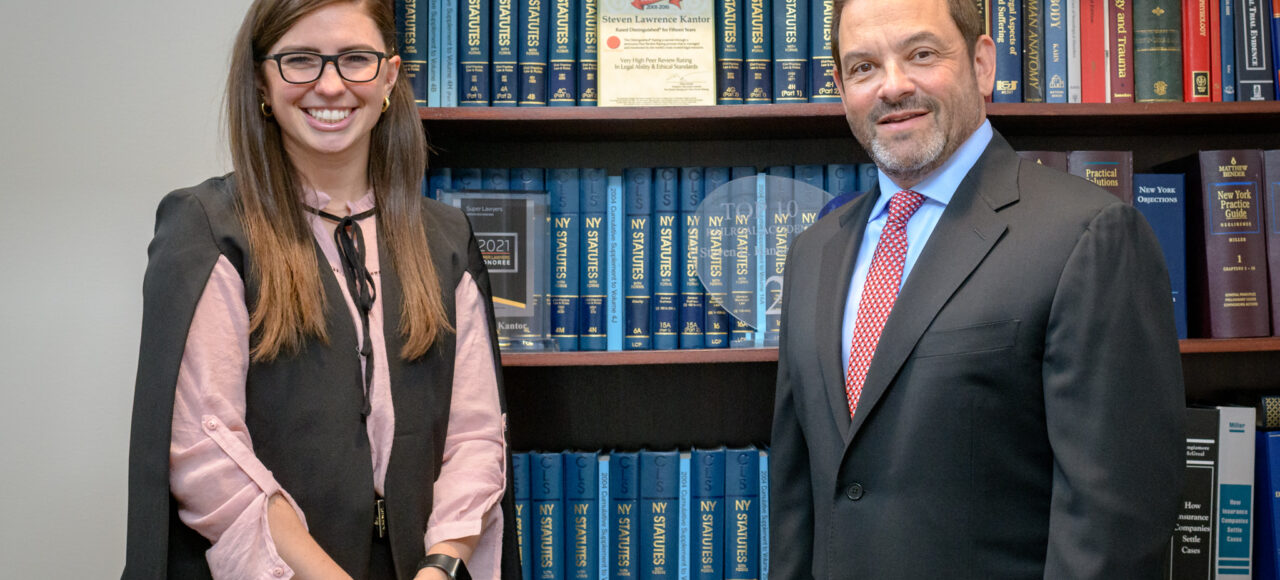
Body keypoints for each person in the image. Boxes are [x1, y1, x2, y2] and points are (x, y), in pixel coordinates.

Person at [769, 0, 1186, 577]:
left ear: (982, 63)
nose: (893, 87)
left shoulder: (1088, 236)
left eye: (921, 54)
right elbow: (797, 502)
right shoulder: (813, 254)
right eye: (864, 67)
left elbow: (1114, 526)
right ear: (840, 87)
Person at [123, 0, 519, 578]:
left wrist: (441, 564)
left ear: (389, 76)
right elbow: (205, 451)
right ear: (261, 79)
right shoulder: (209, 227)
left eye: (355, 59)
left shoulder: (445, 237)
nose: (330, 86)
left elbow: (476, 433)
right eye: (300, 60)